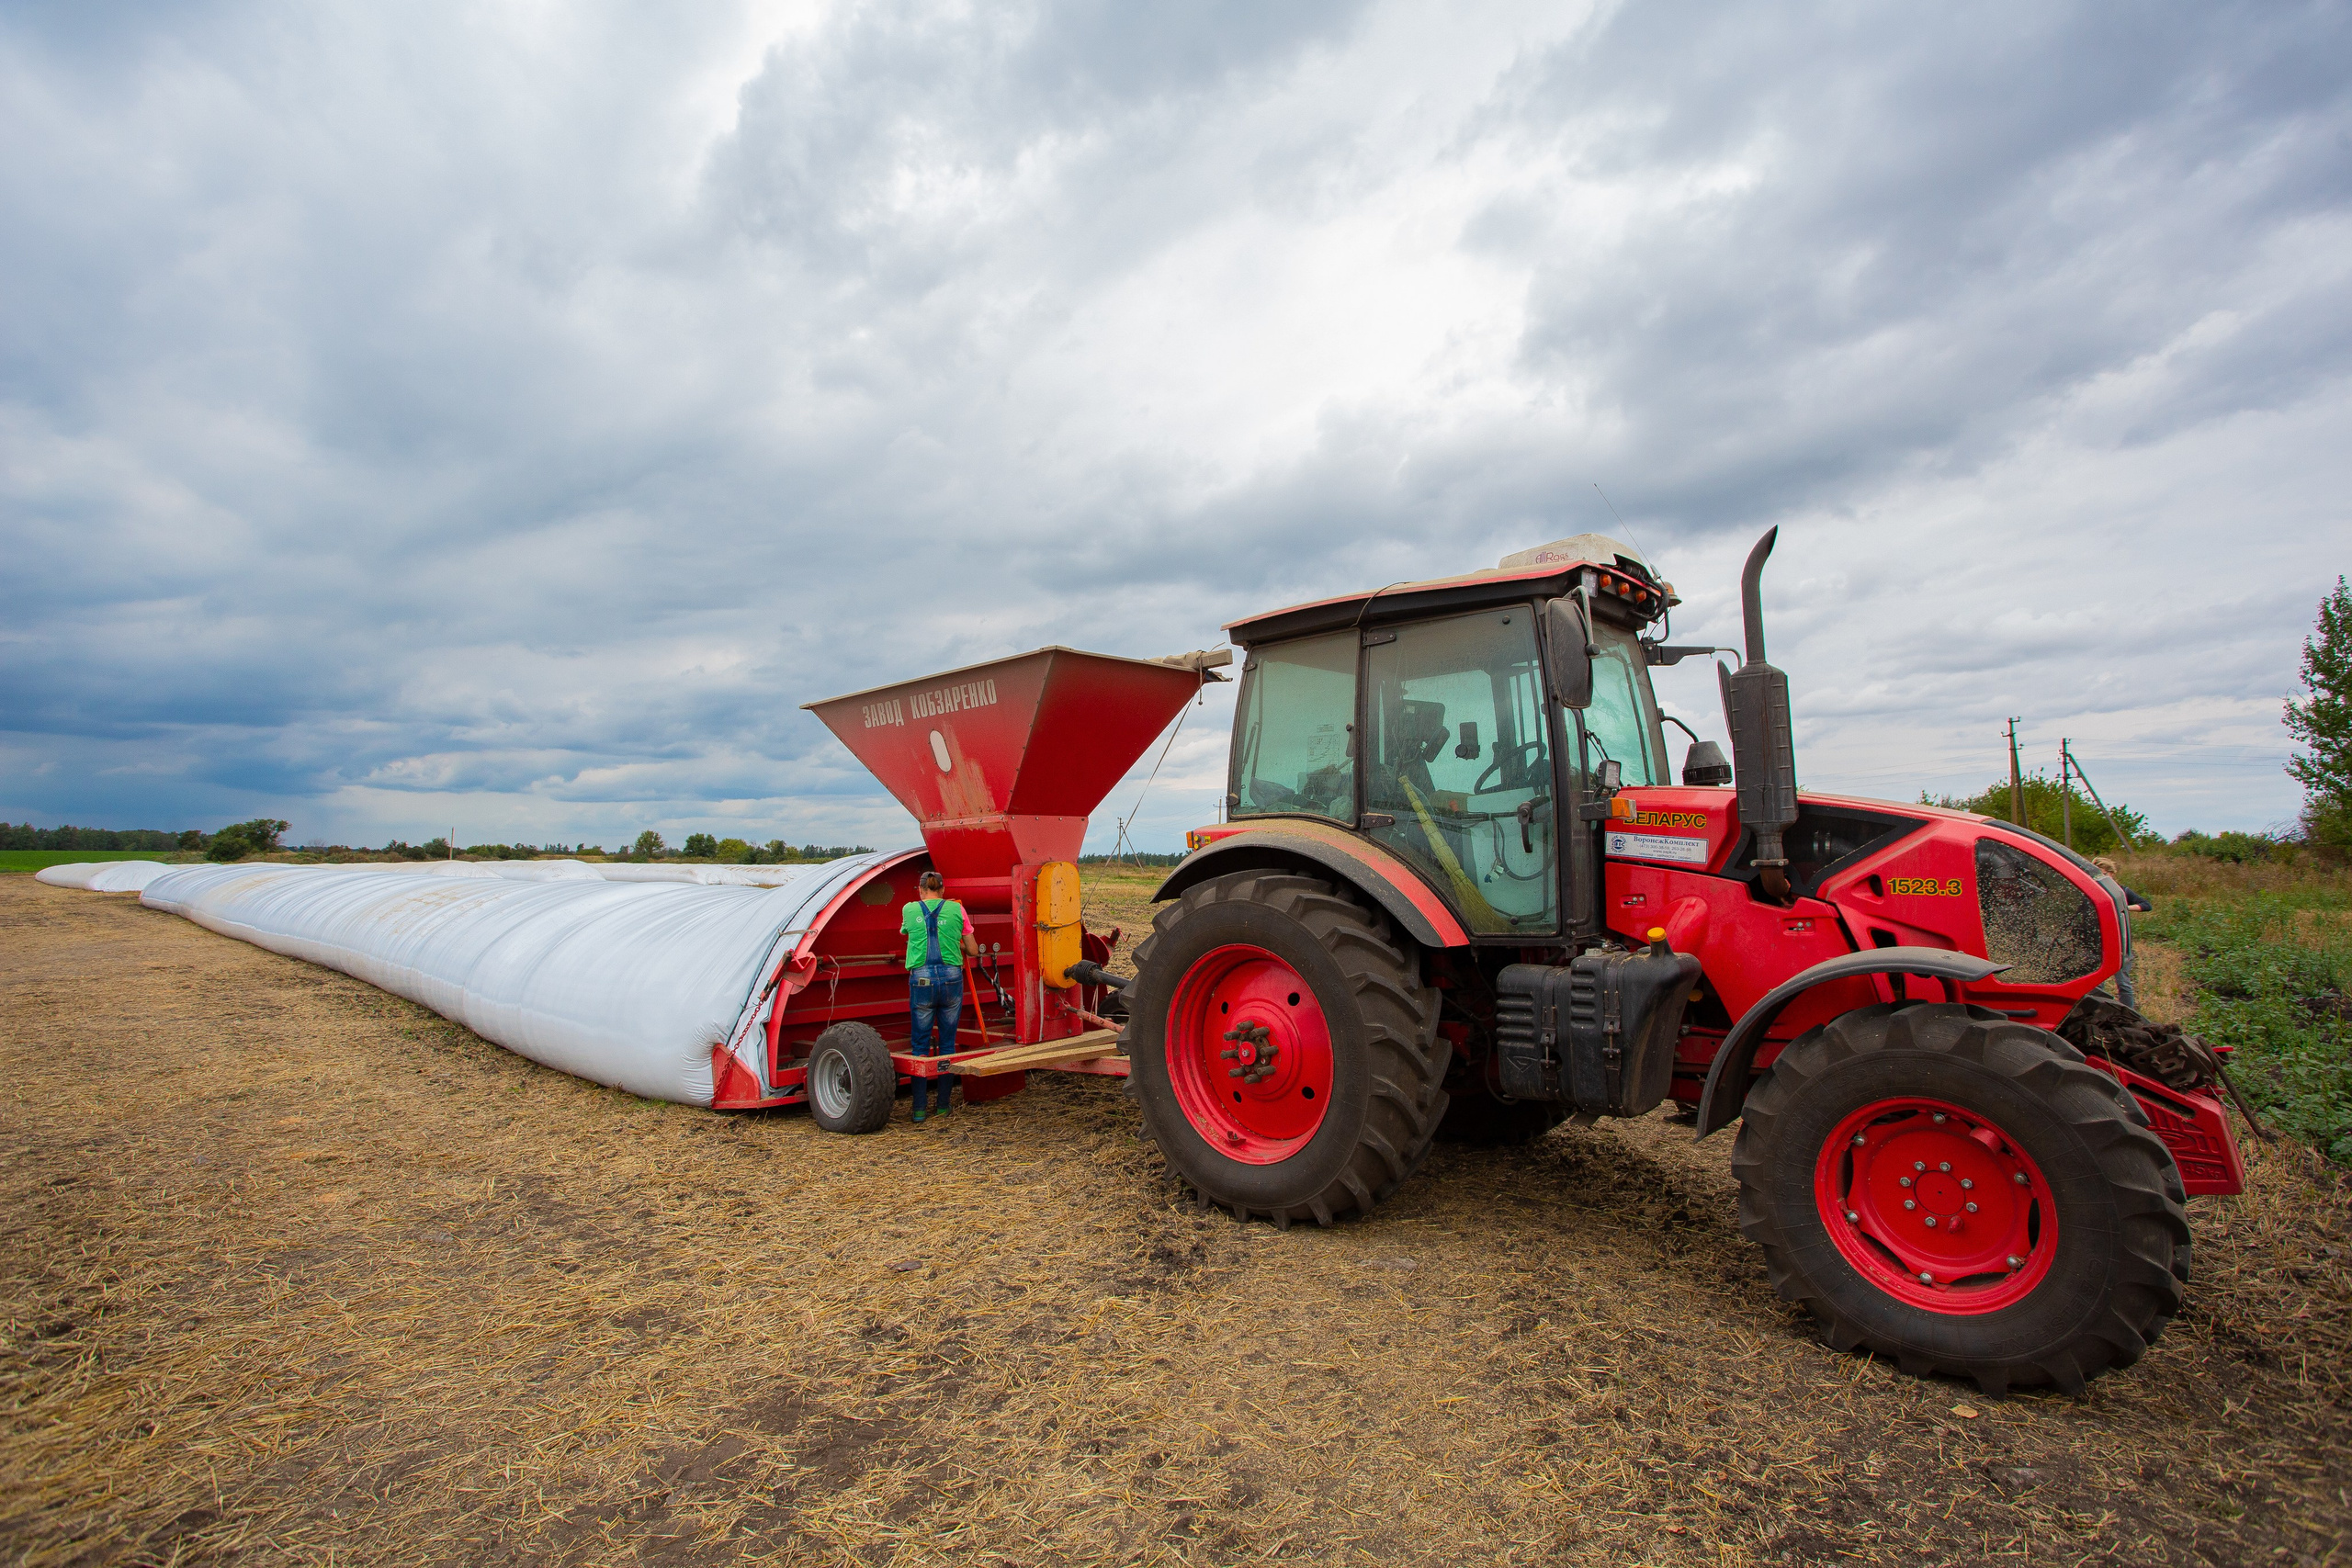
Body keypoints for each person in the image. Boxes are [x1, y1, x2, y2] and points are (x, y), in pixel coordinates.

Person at [901, 871, 969, 1123]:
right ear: (943, 889)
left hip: (921, 980)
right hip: (952, 978)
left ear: (920, 890)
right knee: (948, 1044)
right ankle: (943, 1106)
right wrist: (956, 942)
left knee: (920, 1046)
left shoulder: (909, 909)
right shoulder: (956, 910)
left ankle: (919, 1110)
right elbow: (971, 948)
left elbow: (906, 933)